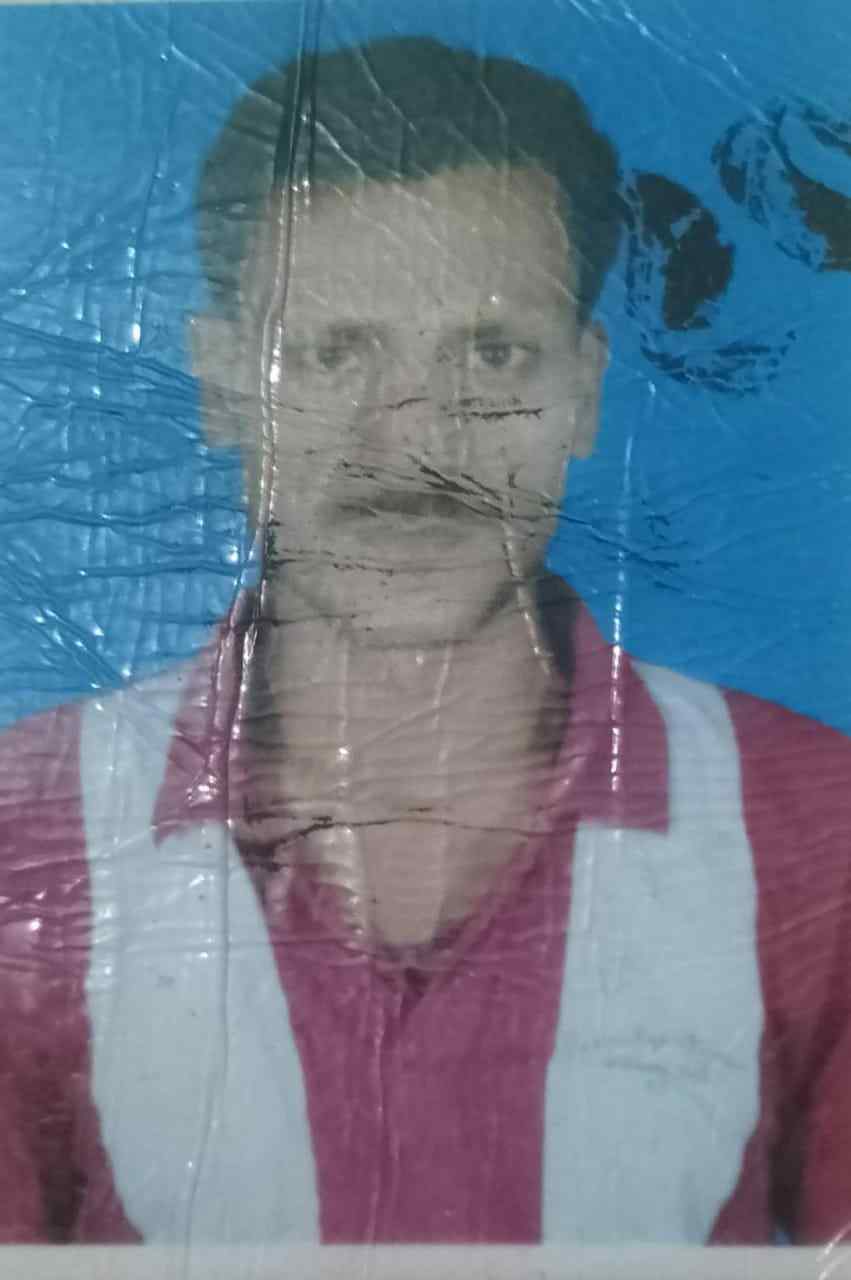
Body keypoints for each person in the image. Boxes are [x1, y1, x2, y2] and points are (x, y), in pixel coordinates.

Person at [0, 34, 849, 1248]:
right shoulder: (21, 833)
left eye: (490, 353)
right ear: (222, 382)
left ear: (582, 391)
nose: (411, 443)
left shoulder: (817, 825)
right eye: (329, 352)